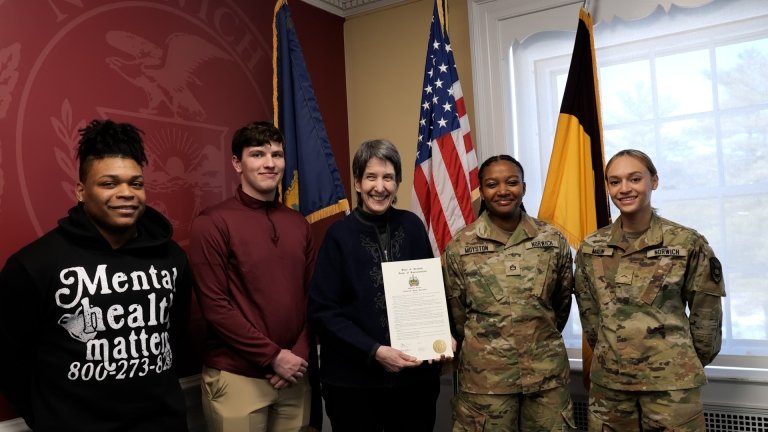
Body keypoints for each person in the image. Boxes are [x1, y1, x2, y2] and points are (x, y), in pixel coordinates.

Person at [0, 119, 192, 431]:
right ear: (80, 190)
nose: (126, 193)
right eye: (109, 183)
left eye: (136, 183)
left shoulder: (173, 257)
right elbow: (9, 360)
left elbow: (176, 336)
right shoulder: (34, 264)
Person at [574, 149, 725, 431]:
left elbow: (707, 317)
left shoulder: (687, 242)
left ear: (653, 181)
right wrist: (613, 355)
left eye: (635, 179)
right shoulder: (592, 247)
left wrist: (680, 362)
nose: (625, 189)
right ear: (607, 187)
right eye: (615, 181)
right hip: (611, 386)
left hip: (671, 386)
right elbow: (590, 314)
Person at [188, 121, 317, 432]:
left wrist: (297, 354)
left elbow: (312, 297)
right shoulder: (212, 223)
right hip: (237, 378)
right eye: (257, 154)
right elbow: (215, 307)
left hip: (293, 376)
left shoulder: (299, 224)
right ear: (237, 163)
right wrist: (273, 356)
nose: (270, 163)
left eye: (277, 154)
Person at [308, 139, 444, 432]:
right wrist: (375, 351)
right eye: (371, 177)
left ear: (397, 183)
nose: (379, 187)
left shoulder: (413, 226)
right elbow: (323, 312)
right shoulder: (338, 235)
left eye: (388, 178)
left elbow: (432, 292)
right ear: (357, 182)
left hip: (414, 385)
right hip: (353, 385)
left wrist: (443, 335)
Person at [442, 155, 576, 431]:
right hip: (485, 381)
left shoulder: (552, 239)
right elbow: (458, 314)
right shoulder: (460, 246)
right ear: (482, 191)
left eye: (512, 182)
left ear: (524, 188)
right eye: (492, 184)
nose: (503, 190)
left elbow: (560, 305)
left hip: (545, 378)